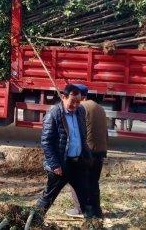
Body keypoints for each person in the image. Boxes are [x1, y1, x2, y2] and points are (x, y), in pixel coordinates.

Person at [36, 84, 94, 218]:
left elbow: (82, 137)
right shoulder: (54, 114)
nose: (75, 105)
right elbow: (46, 142)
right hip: (61, 165)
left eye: (78, 102)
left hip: (78, 163)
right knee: (48, 197)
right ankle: (34, 220)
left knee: (85, 196)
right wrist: (54, 164)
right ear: (63, 97)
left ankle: (92, 223)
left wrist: (87, 156)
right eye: (72, 101)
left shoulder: (80, 111)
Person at [66, 84, 109, 219]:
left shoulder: (81, 108)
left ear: (79, 96)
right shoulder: (100, 108)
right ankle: (96, 211)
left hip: (87, 152)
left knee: (76, 180)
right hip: (101, 151)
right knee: (93, 182)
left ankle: (80, 210)